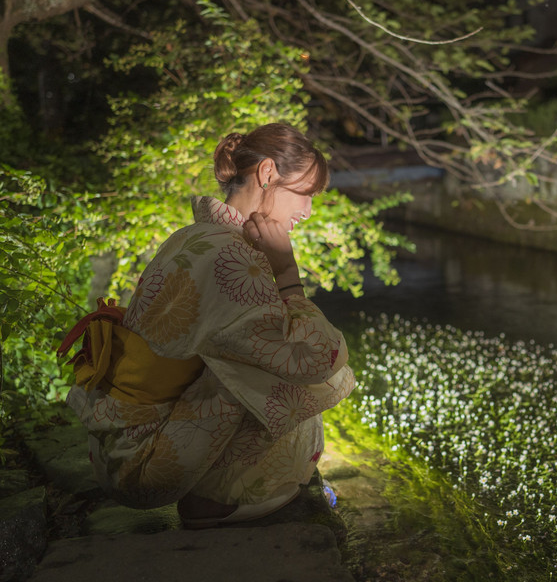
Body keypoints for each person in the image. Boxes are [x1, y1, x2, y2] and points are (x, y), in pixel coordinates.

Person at [60, 122, 355, 527]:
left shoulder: (194, 236)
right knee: (306, 367)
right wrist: (287, 273)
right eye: (305, 195)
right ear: (267, 174)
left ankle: (219, 489)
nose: (307, 212)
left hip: (118, 448)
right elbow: (318, 357)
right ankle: (216, 500)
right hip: (146, 466)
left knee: (274, 347)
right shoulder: (232, 258)